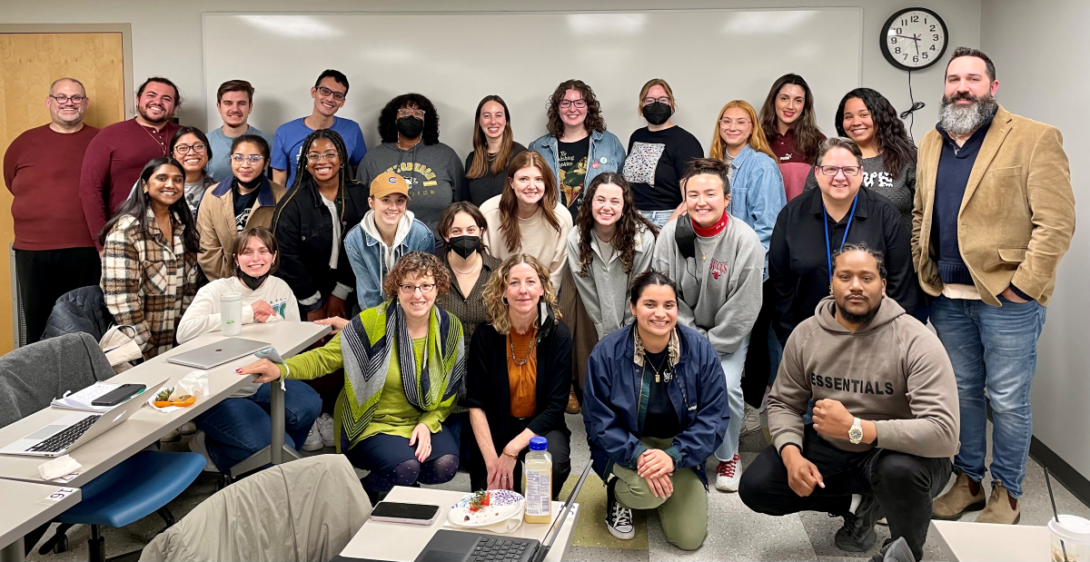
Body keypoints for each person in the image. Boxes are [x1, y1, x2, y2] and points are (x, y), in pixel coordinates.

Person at [918, 47, 1075, 525]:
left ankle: (1006, 492)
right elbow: (922, 213)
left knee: (1006, 399)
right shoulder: (931, 140)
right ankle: (967, 482)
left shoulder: (1033, 137)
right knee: (962, 394)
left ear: (992, 87)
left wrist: (1023, 288)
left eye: (973, 78)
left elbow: (1056, 223)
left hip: (1006, 301)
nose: (961, 86)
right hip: (947, 297)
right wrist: (925, 270)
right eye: (953, 78)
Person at [739, 244, 959, 562]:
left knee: (897, 471)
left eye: (866, 277)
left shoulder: (915, 341)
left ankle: (903, 552)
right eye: (845, 276)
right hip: (837, 447)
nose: (855, 285)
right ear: (832, 284)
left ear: (883, 285)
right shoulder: (807, 335)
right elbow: (784, 403)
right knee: (757, 486)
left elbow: (943, 432)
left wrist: (858, 428)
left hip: (907, 455)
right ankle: (859, 504)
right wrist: (791, 454)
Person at [238, 251, 464, 504]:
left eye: (426, 286)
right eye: (408, 286)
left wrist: (428, 422)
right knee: (405, 468)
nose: (418, 294)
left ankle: (398, 486)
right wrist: (281, 368)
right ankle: (360, 492)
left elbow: (449, 390)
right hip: (371, 421)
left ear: (438, 288)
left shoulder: (449, 327)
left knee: (444, 466)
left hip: (420, 419)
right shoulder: (372, 323)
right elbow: (324, 359)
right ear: (396, 289)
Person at [583, 271, 728, 550]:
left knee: (689, 539)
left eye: (669, 305)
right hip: (628, 445)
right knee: (645, 492)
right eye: (650, 304)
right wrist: (639, 456)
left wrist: (673, 457)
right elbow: (598, 420)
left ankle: (662, 485)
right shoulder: (607, 353)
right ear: (633, 307)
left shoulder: (699, 350)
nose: (660, 313)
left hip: (676, 447)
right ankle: (619, 492)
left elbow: (714, 417)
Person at [652, 158, 763, 493]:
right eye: (693, 194)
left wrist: (709, 348)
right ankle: (690, 449)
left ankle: (729, 455)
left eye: (710, 194)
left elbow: (744, 310)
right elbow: (664, 294)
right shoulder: (672, 234)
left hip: (728, 336)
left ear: (726, 199)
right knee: (673, 382)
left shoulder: (746, 242)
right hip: (681, 332)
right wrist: (690, 340)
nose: (701, 201)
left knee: (726, 386)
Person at [179, 226, 324, 468]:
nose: (255, 259)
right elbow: (184, 332)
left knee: (308, 406)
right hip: (222, 390)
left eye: (263, 251)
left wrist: (275, 322)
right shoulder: (217, 290)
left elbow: (294, 340)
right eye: (247, 252)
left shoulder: (281, 288)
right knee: (271, 447)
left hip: (263, 383)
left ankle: (269, 462)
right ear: (236, 259)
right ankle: (212, 450)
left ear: (274, 256)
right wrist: (245, 313)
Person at [770, 137, 917, 345]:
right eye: (830, 169)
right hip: (808, 340)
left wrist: (888, 343)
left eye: (849, 169)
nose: (840, 177)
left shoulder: (885, 215)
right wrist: (793, 341)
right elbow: (780, 287)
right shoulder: (791, 216)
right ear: (817, 172)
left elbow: (901, 287)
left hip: (873, 340)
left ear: (861, 173)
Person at [465, 254, 572, 500]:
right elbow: (476, 405)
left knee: (549, 471)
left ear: (542, 289)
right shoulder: (486, 335)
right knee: (491, 500)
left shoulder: (558, 334)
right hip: (497, 427)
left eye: (531, 282)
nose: (523, 290)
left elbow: (556, 406)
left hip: (542, 427)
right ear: (503, 291)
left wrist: (511, 451)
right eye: (513, 283)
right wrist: (494, 461)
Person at [3, 77, 100, 344]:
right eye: (61, 97)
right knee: (38, 322)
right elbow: (12, 181)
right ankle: (42, 384)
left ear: (85, 103)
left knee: (82, 323)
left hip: (86, 248)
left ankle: (84, 383)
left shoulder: (101, 140)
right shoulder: (25, 142)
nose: (69, 103)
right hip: (33, 250)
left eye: (76, 97)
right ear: (49, 102)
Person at [711, 99, 788, 423]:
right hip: (713, 276)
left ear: (752, 127)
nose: (732, 127)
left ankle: (748, 415)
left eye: (741, 122)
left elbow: (768, 230)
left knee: (750, 348)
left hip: (749, 274)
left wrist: (744, 272)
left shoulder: (762, 166)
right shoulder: (711, 166)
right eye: (726, 121)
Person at [565, 173, 656, 408]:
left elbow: (639, 291)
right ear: (589, 202)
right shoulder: (576, 238)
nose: (607, 207)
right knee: (603, 371)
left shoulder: (642, 239)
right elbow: (588, 294)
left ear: (625, 205)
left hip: (633, 318)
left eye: (615, 201)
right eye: (600, 200)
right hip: (598, 319)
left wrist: (626, 333)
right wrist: (606, 335)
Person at [99, 157, 200, 360]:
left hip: (178, 343)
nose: (171, 185)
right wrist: (142, 346)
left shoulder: (182, 226)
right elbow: (121, 298)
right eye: (162, 178)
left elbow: (189, 289)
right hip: (140, 349)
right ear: (145, 185)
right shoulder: (126, 230)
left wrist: (187, 335)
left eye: (178, 180)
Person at [272, 129, 367, 322]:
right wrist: (313, 304)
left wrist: (340, 292)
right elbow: (287, 258)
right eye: (314, 156)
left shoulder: (362, 196)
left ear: (341, 159)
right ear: (305, 163)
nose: (322, 161)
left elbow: (364, 247)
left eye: (330, 154)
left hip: (352, 291)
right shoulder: (291, 204)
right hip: (303, 294)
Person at [80, 77, 182, 245]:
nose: (158, 101)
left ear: (175, 108)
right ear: (137, 100)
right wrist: (101, 241)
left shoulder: (185, 136)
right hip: (125, 234)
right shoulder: (110, 135)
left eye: (166, 98)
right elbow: (90, 189)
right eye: (151, 95)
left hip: (177, 233)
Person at [803, 88, 917, 235]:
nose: (856, 122)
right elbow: (807, 208)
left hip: (896, 251)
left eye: (864, 115)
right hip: (839, 252)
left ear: (880, 117)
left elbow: (923, 212)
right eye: (848, 117)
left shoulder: (906, 159)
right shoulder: (830, 158)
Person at [356, 93, 464, 235]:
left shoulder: (446, 156)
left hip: (438, 244)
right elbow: (360, 207)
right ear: (393, 118)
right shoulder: (373, 158)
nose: (412, 116)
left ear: (426, 120)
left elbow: (463, 205)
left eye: (418, 113)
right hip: (386, 244)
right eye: (404, 112)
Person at [528, 79, 626, 216]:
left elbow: (624, 185)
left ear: (588, 107)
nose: (572, 109)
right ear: (557, 108)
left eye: (579, 103)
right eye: (565, 103)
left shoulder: (610, 143)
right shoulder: (539, 147)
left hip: (598, 228)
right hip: (552, 225)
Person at [197, 134, 286, 281]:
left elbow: (283, 249)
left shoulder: (281, 197)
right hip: (223, 284)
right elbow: (207, 250)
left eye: (254, 158)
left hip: (267, 284)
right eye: (238, 157)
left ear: (266, 163)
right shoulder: (212, 195)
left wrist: (258, 284)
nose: (245, 165)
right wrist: (234, 285)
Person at [481, 151, 573, 289]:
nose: (531, 186)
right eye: (523, 179)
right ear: (511, 182)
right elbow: (485, 272)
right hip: (497, 296)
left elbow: (554, 278)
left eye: (539, 179)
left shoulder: (561, 219)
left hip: (541, 299)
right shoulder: (488, 214)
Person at [344, 172, 435, 310]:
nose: (393, 207)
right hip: (375, 314)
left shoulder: (422, 235)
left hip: (412, 311)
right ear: (371, 203)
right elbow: (369, 293)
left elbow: (422, 287)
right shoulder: (354, 239)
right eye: (385, 200)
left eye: (400, 201)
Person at [622, 78, 704, 228]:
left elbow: (692, 197)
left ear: (672, 104)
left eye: (663, 99)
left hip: (665, 218)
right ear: (641, 106)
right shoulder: (636, 136)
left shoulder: (685, 141)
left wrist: (667, 231)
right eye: (650, 100)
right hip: (632, 217)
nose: (656, 104)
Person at [271, 70, 367, 189]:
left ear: (342, 102)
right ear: (314, 92)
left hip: (339, 204)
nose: (330, 99)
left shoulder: (352, 130)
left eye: (337, 95)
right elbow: (278, 184)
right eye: (325, 91)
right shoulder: (285, 132)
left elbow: (360, 173)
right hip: (296, 204)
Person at [435, 201, 500, 342]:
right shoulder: (431, 271)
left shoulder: (499, 271)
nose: (464, 236)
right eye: (456, 231)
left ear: (481, 232)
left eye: (471, 230)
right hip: (444, 360)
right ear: (446, 235)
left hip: (487, 360)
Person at [759, 74, 825, 202]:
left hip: (806, 220)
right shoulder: (758, 139)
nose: (790, 106)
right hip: (767, 221)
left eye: (798, 100)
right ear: (773, 100)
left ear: (805, 106)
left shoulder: (818, 142)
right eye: (784, 98)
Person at [461, 95, 527, 207]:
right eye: (487, 116)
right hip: (480, 224)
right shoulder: (472, 159)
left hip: (512, 224)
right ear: (479, 121)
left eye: (498, 115)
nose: (493, 121)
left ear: (506, 120)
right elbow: (467, 203)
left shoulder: (521, 155)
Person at [206, 80, 274, 182]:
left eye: (241, 103)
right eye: (228, 103)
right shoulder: (205, 142)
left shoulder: (269, 142)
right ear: (219, 107)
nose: (235, 109)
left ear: (250, 107)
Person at [169, 127, 217, 214]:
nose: (191, 153)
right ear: (173, 155)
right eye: (182, 148)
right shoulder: (155, 185)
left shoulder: (218, 190)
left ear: (208, 153)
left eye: (199, 146)